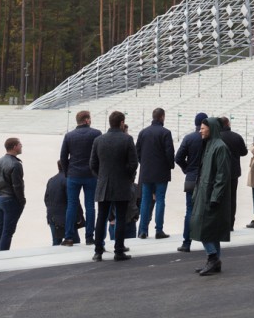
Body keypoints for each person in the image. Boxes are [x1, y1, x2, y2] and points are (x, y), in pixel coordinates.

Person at [89, 110, 137, 261]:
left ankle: (98, 251)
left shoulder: (99, 140)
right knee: (121, 217)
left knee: (101, 217)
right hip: (121, 183)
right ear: (122, 123)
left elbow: (93, 164)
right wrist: (127, 177)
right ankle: (118, 250)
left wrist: (101, 176)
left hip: (104, 183)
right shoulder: (127, 139)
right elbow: (133, 164)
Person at [191, 115, 234, 276]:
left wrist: (215, 197)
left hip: (212, 196)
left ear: (212, 129)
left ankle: (213, 257)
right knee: (211, 230)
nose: (200, 130)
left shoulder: (220, 147)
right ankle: (215, 261)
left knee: (204, 227)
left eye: (203, 128)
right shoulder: (209, 145)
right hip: (204, 193)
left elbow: (222, 176)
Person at [59, 110, 101, 246]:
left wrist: (67, 172)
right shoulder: (96, 134)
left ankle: (69, 237)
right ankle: (89, 237)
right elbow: (99, 155)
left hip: (74, 174)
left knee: (71, 206)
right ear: (87, 120)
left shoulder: (69, 136)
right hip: (90, 175)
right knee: (90, 206)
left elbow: (63, 157)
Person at [135, 107, 175, 239]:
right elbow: (169, 152)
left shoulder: (143, 132)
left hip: (146, 172)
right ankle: (159, 230)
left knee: (145, 201)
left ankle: (143, 230)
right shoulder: (165, 133)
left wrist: (144, 164)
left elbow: (137, 152)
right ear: (162, 117)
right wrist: (170, 165)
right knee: (160, 200)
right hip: (161, 172)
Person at [174, 112, 208, 252]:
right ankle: (208, 243)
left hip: (191, 178)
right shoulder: (209, 139)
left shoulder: (189, 138)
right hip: (205, 179)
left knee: (190, 211)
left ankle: (186, 242)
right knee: (207, 211)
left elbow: (178, 158)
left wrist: (187, 169)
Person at [0, 137, 26, 252]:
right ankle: (3, 257)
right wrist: (21, 200)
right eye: (20, 144)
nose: (21, 146)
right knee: (8, 231)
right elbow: (17, 186)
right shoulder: (15, 164)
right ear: (15, 147)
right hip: (10, 200)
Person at [218, 116, 248, 227]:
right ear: (228, 124)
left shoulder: (216, 137)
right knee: (232, 197)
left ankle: (221, 223)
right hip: (233, 171)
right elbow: (244, 152)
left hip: (219, 173)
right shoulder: (237, 136)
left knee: (219, 197)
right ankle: (230, 223)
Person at [44, 160, 70, 246]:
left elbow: (46, 199)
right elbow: (72, 200)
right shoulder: (67, 179)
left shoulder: (51, 180)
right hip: (64, 216)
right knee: (74, 241)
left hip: (52, 216)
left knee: (56, 243)